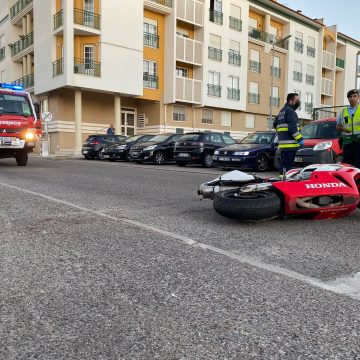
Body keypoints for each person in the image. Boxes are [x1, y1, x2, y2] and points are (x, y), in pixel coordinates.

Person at [273, 93, 303, 176]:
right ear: (291, 101)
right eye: (296, 100)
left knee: (283, 166)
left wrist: (282, 134)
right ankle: (286, 184)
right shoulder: (291, 111)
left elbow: (275, 124)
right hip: (291, 145)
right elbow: (293, 128)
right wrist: (300, 140)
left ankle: (281, 180)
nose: (298, 102)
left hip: (283, 145)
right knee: (288, 168)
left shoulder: (281, 111)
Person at [336, 89, 360, 168]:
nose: (352, 98)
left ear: (358, 97)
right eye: (350, 96)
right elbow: (337, 126)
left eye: (354, 96)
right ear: (348, 98)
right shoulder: (343, 111)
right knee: (347, 165)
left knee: (358, 164)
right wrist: (343, 129)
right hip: (347, 142)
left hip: (359, 142)